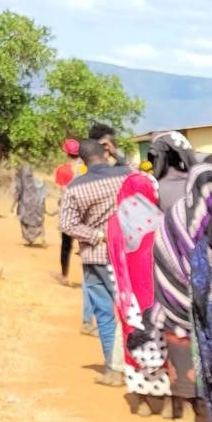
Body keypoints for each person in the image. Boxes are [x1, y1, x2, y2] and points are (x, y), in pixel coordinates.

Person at [155, 158, 212, 422]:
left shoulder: (177, 214)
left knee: (189, 351)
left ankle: (192, 409)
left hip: (186, 297)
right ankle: (193, 409)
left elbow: (162, 251)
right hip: (191, 297)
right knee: (194, 352)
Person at [58, 133, 134, 386]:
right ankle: (135, 367)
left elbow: (66, 224)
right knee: (130, 312)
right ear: (105, 154)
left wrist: (96, 235)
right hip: (128, 256)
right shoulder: (126, 177)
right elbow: (142, 175)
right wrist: (117, 153)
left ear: (83, 160)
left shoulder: (76, 187)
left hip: (96, 257)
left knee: (104, 313)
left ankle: (113, 370)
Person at [106, 171, 171, 416]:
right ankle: (166, 400)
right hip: (157, 292)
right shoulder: (162, 219)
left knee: (132, 338)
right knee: (161, 339)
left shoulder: (115, 220)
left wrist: (122, 294)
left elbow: (114, 258)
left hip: (129, 292)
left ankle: (142, 400)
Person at [54, 138, 84, 290]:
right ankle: (89, 277)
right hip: (84, 210)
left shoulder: (62, 169)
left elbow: (62, 192)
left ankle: (64, 275)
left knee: (66, 245)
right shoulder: (85, 168)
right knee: (84, 244)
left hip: (68, 210)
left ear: (66, 152)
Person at [13, 162, 47, 246]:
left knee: (24, 221)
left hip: (25, 206)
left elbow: (17, 194)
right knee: (39, 221)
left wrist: (13, 206)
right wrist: (43, 206)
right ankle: (42, 237)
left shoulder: (21, 183)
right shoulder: (38, 181)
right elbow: (43, 195)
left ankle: (30, 239)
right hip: (38, 206)